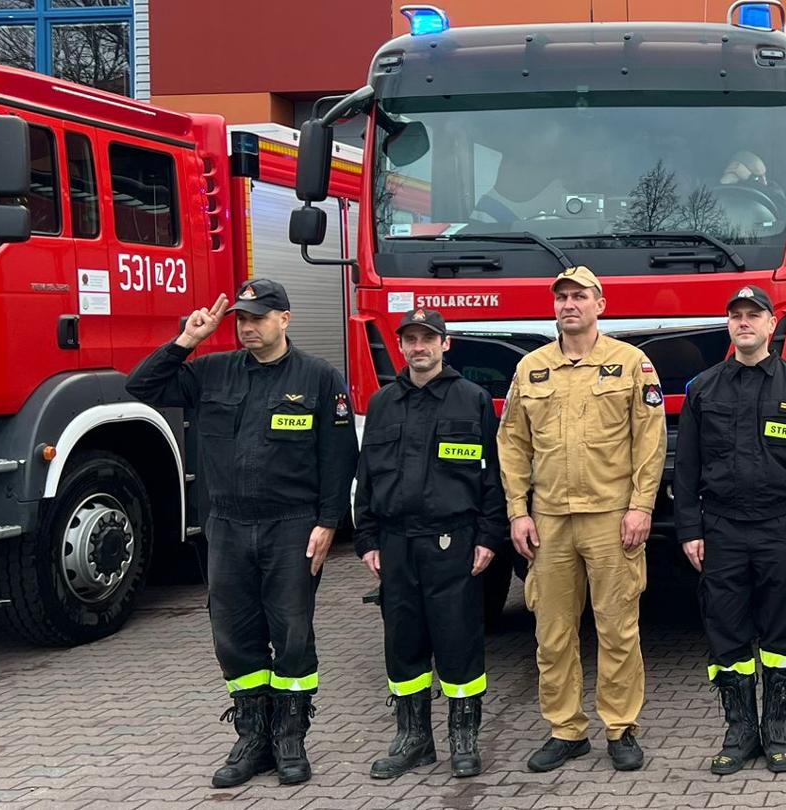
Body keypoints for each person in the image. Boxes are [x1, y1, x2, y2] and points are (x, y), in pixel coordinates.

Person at [124, 278, 356, 787]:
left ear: (284, 320)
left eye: (257, 318)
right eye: (242, 320)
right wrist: (187, 341)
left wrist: (329, 522)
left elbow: (339, 458)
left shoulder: (319, 378)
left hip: (292, 525)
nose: (247, 327)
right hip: (227, 527)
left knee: (292, 634)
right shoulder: (211, 372)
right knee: (232, 636)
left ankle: (290, 737)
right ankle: (252, 738)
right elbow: (140, 387)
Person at [498, 265, 667, 773]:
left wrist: (641, 506)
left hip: (611, 518)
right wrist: (517, 511)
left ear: (601, 304)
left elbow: (650, 443)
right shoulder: (531, 369)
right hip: (548, 521)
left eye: (580, 296)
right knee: (552, 631)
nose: (569, 304)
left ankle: (620, 727)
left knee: (617, 628)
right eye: (562, 297)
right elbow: (511, 444)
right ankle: (566, 729)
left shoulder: (632, 364)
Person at [674, 285, 786, 775]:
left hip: (780, 530)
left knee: (782, 631)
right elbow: (686, 467)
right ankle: (740, 731)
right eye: (736, 316)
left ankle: (778, 731)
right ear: (729, 325)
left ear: (770, 325)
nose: (744, 323)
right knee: (726, 634)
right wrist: (688, 529)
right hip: (720, 530)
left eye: (753, 315)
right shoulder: (704, 389)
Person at [353, 308, 507, 780]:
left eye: (427, 338)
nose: (418, 347)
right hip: (396, 544)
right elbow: (366, 477)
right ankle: (413, 738)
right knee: (403, 644)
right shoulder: (382, 403)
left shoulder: (472, 399)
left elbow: (492, 477)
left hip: (452, 541)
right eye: (411, 339)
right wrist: (366, 539)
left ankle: (464, 738)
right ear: (401, 346)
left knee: (459, 641)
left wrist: (488, 536)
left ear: (445, 344)